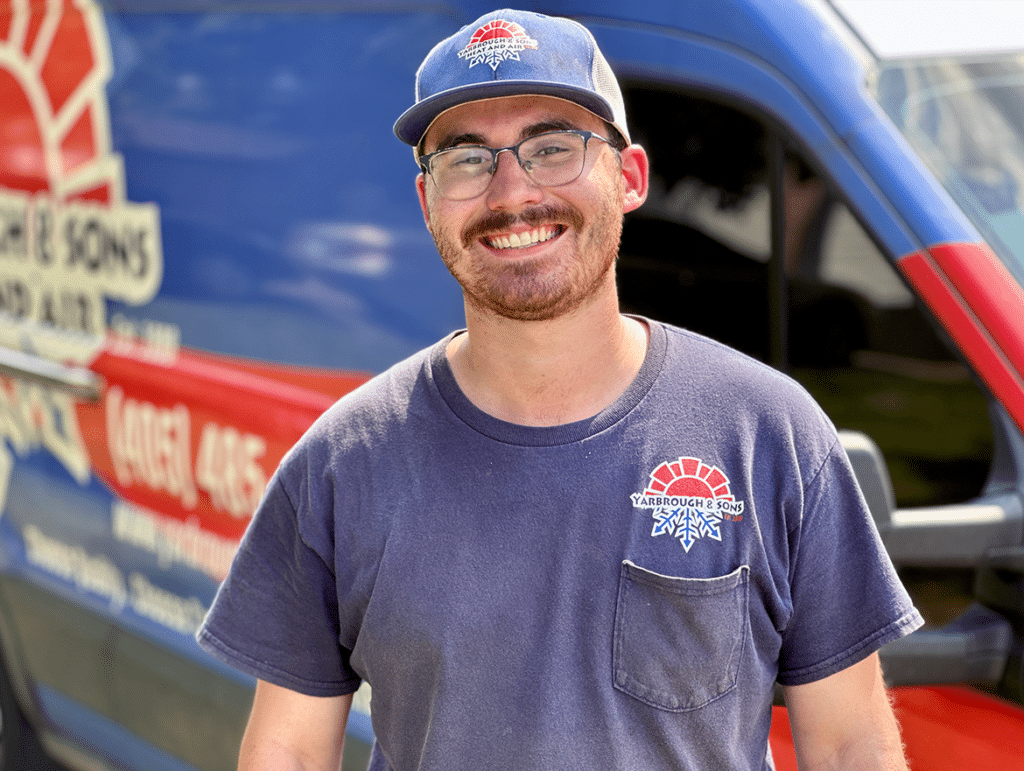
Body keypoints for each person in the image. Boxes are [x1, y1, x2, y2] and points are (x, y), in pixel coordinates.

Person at [197, 9, 924, 770]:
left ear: (630, 177)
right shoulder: (345, 462)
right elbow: (289, 752)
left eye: (552, 147)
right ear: (426, 203)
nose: (512, 191)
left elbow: (848, 747)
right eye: (467, 159)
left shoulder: (769, 435)